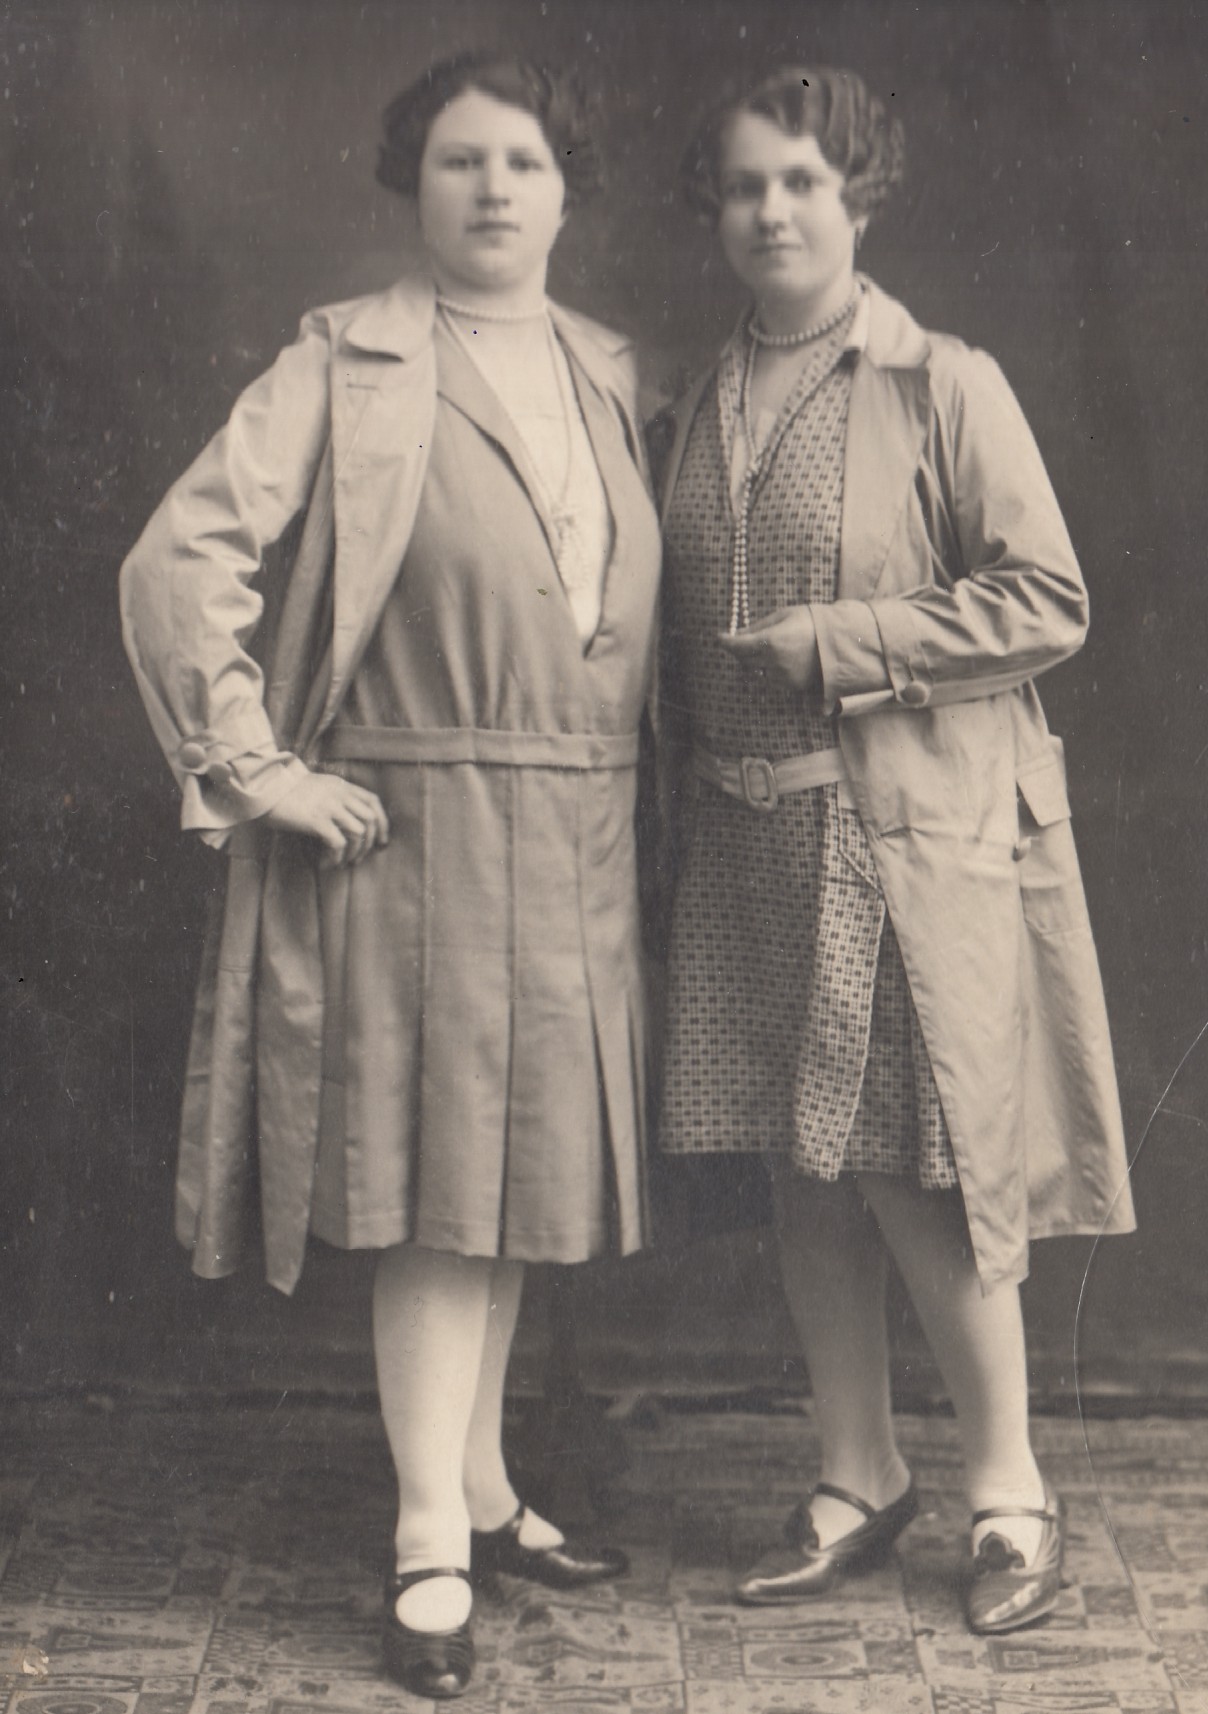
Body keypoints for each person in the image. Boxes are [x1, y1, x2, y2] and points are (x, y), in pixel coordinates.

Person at [120, 51, 661, 1700]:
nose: (491, 189)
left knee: (516, 1179)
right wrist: (259, 766)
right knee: (437, 1184)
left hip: (579, 827)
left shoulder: (606, 368)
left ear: (566, 191)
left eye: (521, 162)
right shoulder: (346, 359)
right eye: (455, 162)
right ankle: (428, 1538)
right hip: (419, 826)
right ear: (409, 186)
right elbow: (178, 560)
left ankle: (485, 1486)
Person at [653, 63, 1134, 1634]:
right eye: (743, 185)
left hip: (886, 841)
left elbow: (1046, 598)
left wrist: (846, 640)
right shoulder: (693, 398)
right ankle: (855, 1473)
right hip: (737, 841)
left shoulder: (941, 382)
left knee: (917, 1176)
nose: (770, 211)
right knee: (801, 1171)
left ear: (858, 196)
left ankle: (1008, 1493)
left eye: (802, 180)